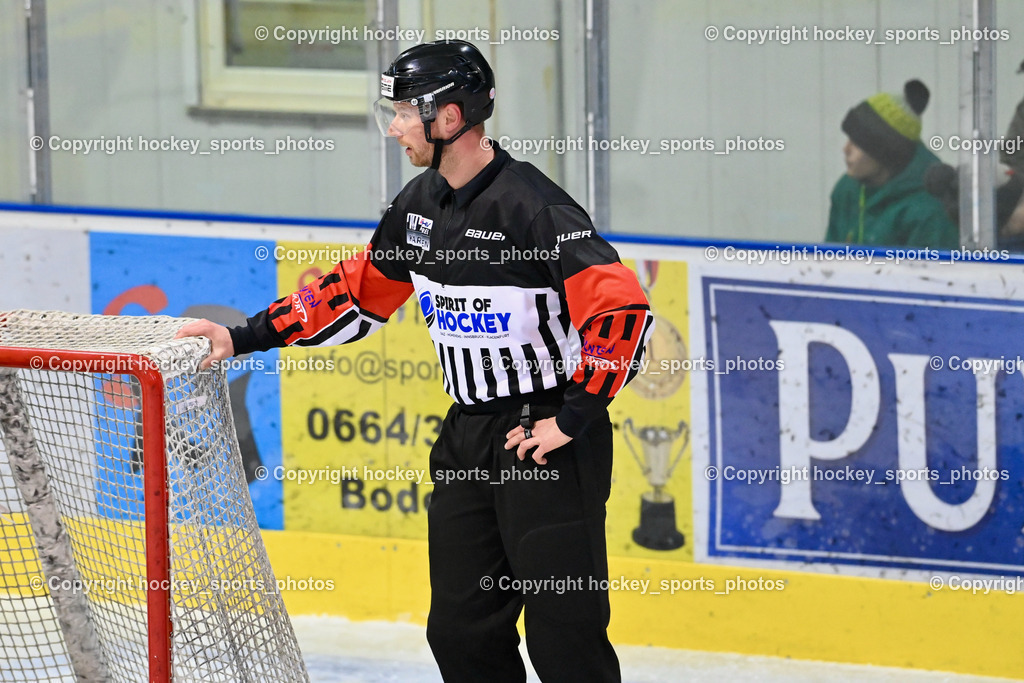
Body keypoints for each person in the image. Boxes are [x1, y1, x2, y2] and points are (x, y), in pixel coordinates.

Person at [176, 40, 651, 683]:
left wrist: (572, 420)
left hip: (544, 441)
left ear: (449, 118)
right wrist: (242, 337)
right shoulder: (419, 205)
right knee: (459, 633)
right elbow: (352, 296)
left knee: (564, 640)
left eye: (402, 112)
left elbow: (622, 313)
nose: (394, 128)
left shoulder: (534, 208)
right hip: (467, 438)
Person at [825, 79, 959, 249]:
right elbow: (827, 262)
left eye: (858, 143)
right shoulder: (847, 190)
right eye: (849, 138)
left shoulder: (929, 211)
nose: (846, 149)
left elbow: (933, 274)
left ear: (886, 153)